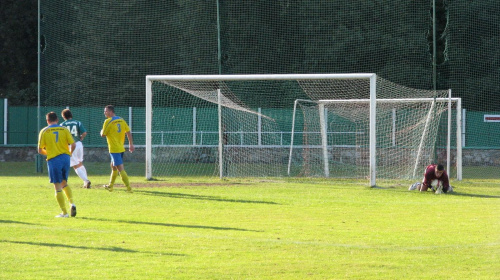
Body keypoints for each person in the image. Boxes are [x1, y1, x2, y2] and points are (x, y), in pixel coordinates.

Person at [38, 112, 77, 218]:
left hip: (54, 159)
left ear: (47, 121)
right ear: (57, 119)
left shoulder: (44, 131)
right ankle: (72, 203)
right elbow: (73, 144)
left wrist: (49, 153)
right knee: (64, 182)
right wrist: (69, 154)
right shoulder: (64, 129)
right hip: (65, 158)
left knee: (57, 186)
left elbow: (40, 150)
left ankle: (64, 213)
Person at [100, 105, 134, 192]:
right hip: (121, 148)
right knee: (113, 166)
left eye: (106, 111)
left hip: (114, 148)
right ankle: (110, 186)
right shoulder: (121, 120)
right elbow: (128, 132)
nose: (104, 113)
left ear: (111, 112)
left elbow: (103, 134)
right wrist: (131, 144)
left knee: (120, 168)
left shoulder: (108, 121)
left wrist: (101, 131)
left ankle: (129, 188)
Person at [60, 109, 91, 188]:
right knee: (80, 163)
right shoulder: (78, 122)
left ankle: (86, 180)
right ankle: (85, 181)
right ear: (71, 114)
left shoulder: (62, 125)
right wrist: (81, 137)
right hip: (79, 144)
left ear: (64, 116)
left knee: (75, 165)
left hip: (70, 145)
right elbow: (84, 133)